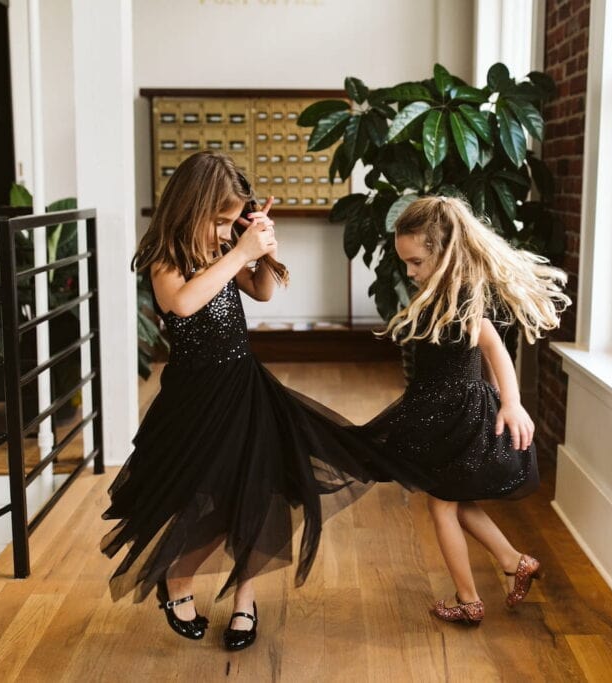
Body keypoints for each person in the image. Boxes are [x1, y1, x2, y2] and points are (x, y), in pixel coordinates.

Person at [100, 151, 423, 651]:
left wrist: (265, 248)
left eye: (231, 222)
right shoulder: (167, 257)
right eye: (218, 221)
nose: (223, 232)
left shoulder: (224, 249)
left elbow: (263, 291)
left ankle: (244, 597)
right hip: (196, 399)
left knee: (259, 489)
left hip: (244, 386)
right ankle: (178, 577)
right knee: (203, 493)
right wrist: (238, 251)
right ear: (190, 206)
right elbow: (181, 302)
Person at [361, 195, 570, 625]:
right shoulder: (443, 293)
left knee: (441, 506)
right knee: (456, 500)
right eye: (406, 263)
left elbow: (494, 348)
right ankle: (514, 561)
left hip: (456, 415)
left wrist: (511, 403)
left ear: (443, 252)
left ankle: (468, 599)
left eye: (416, 262)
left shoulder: (458, 297)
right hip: (443, 413)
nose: (410, 272)